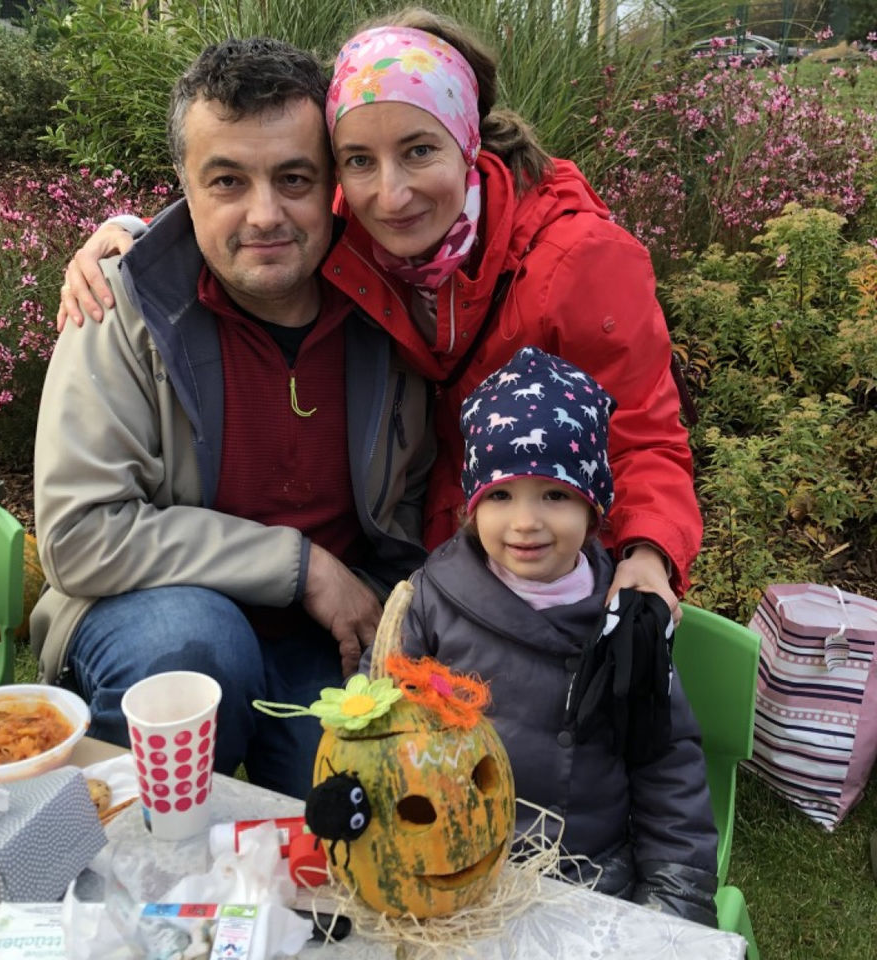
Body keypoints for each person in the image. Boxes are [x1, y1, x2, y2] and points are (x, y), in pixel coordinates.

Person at [58, 7, 701, 621]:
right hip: (454, 561)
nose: (391, 194)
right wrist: (138, 242)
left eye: (420, 151)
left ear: (467, 142)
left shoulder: (579, 261)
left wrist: (646, 555)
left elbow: (643, 433)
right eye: (361, 161)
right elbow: (259, 217)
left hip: (568, 563)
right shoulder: (358, 240)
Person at [31, 37, 433, 801]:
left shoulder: (389, 313)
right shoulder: (119, 308)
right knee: (195, 650)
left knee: (351, 803)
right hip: (155, 620)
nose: (264, 215)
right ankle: (141, 870)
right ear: (184, 185)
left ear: (333, 186)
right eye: (227, 180)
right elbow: (80, 536)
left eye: (293, 178)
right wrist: (301, 566)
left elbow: (411, 500)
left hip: (328, 639)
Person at [396, 345, 718, 925]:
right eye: (499, 495)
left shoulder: (627, 621)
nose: (525, 522)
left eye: (554, 494)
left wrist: (676, 905)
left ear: (594, 508)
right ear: (471, 506)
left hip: (593, 877)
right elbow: (385, 736)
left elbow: (667, 768)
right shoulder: (430, 601)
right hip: (455, 870)